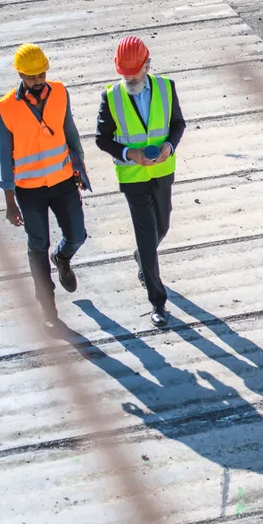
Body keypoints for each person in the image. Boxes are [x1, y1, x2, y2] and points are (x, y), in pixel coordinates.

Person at [0, 43, 91, 331]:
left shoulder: (60, 92)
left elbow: (70, 132)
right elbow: (4, 156)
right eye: (31, 76)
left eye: (41, 75)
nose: (37, 81)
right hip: (29, 191)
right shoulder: (6, 109)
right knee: (37, 246)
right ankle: (47, 307)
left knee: (77, 235)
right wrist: (10, 201)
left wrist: (80, 170)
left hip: (63, 181)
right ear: (20, 74)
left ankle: (62, 257)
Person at [95, 36, 185, 328]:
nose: (130, 78)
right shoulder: (111, 96)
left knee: (163, 226)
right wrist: (127, 153)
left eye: (135, 71)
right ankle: (158, 302)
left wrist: (169, 147)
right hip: (133, 177)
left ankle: (141, 256)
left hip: (162, 172)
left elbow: (177, 125)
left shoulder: (166, 88)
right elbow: (101, 138)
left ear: (148, 64)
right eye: (125, 73)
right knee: (147, 240)